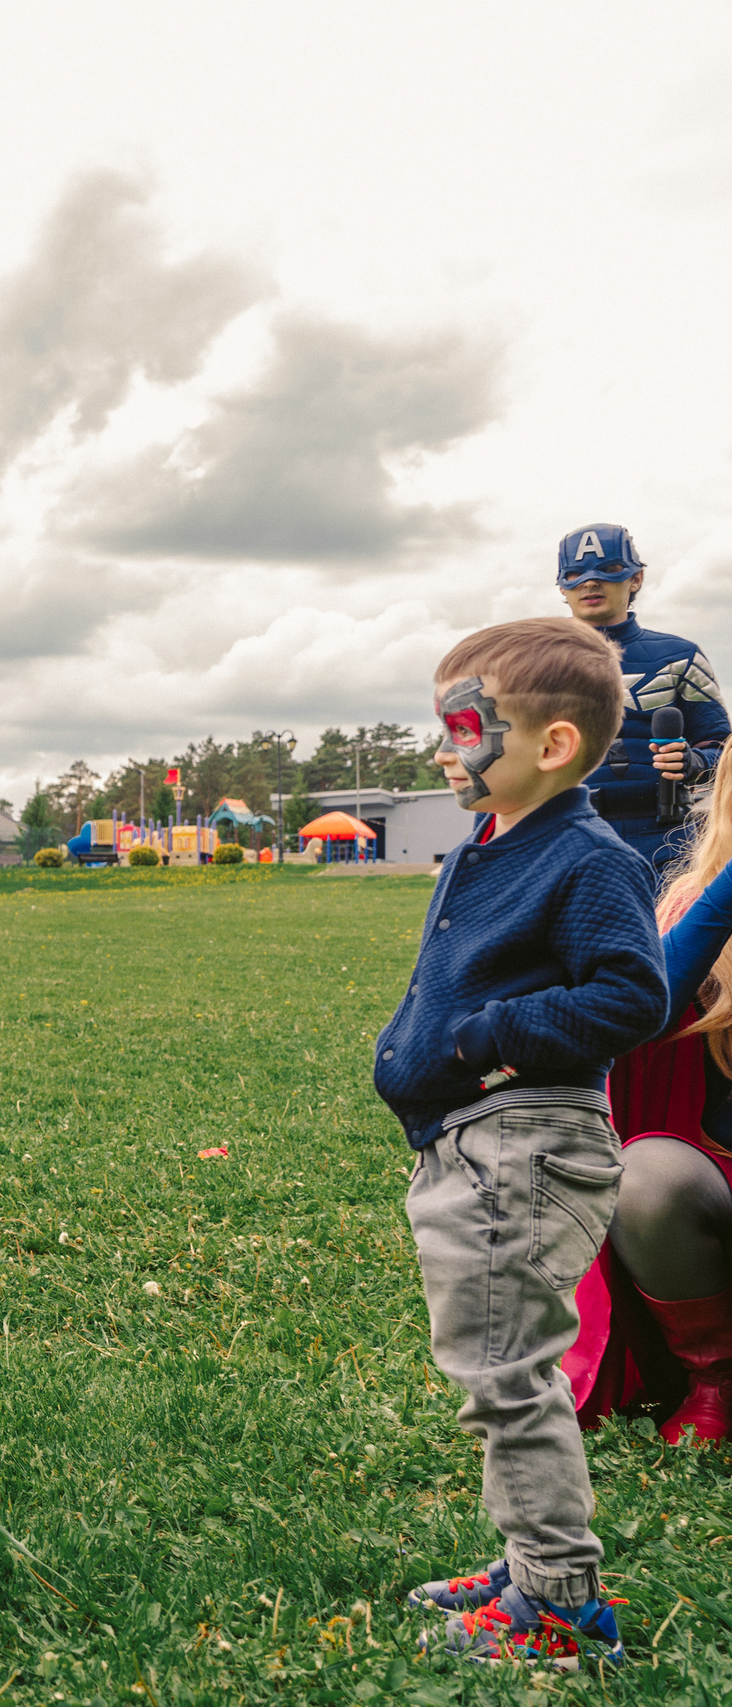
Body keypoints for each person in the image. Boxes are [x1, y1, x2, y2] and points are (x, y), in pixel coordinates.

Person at [377, 617, 666, 1668]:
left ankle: (558, 1605)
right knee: (493, 1367)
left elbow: (632, 993)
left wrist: (484, 1036)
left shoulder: (588, 859)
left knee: (507, 1374)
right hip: (469, 1143)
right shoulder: (486, 847)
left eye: (464, 726)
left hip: (525, 1148)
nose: (444, 750)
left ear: (549, 744)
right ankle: (524, 1563)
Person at [558, 794, 732, 1448]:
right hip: (714, 1197)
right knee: (646, 1179)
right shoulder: (693, 905)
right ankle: (714, 1383)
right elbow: (638, 1015)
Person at [559, 523, 726, 869]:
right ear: (562, 586)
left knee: (675, 925)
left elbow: (723, 751)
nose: (590, 582)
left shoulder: (680, 656)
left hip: (670, 839)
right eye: (575, 574)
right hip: (571, 838)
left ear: (636, 579)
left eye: (609, 570)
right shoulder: (535, 664)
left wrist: (693, 762)